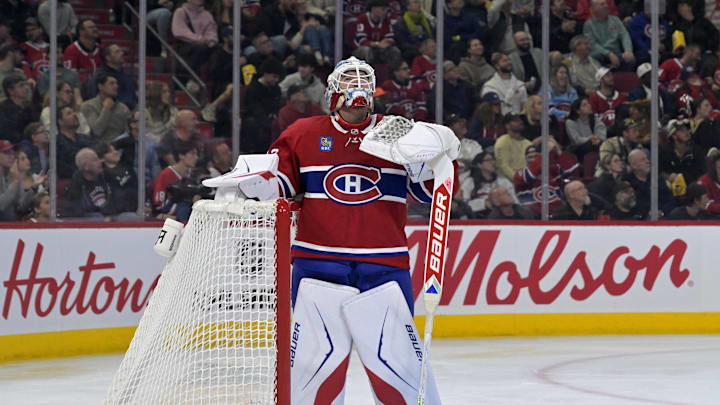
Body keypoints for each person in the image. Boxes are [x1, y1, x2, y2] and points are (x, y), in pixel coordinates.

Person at [249, 56, 451, 404]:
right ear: (332, 90)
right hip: (318, 262)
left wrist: (434, 161)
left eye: (363, 79)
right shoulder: (302, 133)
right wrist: (249, 183)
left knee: (397, 363)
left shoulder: (400, 132)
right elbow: (276, 187)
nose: (356, 86)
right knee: (317, 363)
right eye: (347, 79)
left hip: (384, 264)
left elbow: (430, 196)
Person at [61, 147, 137, 220]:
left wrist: (110, 214)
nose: (100, 161)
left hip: (112, 215)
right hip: (90, 220)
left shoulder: (107, 175)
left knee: (131, 217)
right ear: (86, 167)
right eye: (95, 160)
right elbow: (72, 210)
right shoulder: (76, 184)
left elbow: (120, 198)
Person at [515, 142, 579, 215]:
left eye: (536, 156)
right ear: (525, 159)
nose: (533, 160)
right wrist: (544, 153)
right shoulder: (520, 174)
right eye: (530, 157)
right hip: (533, 214)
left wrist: (559, 152)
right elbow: (531, 174)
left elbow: (571, 169)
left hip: (557, 213)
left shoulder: (551, 170)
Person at [242, 58, 284, 153]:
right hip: (256, 121)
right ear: (266, 74)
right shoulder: (253, 89)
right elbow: (254, 109)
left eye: (278, 78)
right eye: (274, 77)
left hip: (271, 120)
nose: (276, 80)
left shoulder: (276, 89)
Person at [458, 151, 515, 219]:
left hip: (504, 214)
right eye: (488, 160)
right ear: (479, 165)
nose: (493, 163)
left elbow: (515, 200)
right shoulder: (470, 182)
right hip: (479, 217)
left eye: (493, 160)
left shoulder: (503, 181)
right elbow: (463, 205)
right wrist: (483, 203)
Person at [152, 141, 200, 222]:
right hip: (169, 216)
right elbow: (158, 204)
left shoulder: (192, 174)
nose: (196, 157)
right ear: (181, 156)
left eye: (196, 154)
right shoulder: (166, 174)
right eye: (192, 153)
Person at [81, 72, 132, 141]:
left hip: (120, 146)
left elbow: (128, 133)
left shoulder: (123, 108)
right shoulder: (88, 106)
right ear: (100, 86)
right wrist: (106, 109)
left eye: (116, 83)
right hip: (97, 148)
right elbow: (96, 131)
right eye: (111, 83)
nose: (116, 86)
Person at [171, 0, 218, 75]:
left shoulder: (207, 15)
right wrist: (199, 39)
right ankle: (190, 76)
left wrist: (211, 41)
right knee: (199, 47)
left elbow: (211, 31)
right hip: (185, 45)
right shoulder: (181, 11)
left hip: (204, 45)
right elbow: (179, 32)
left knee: (218, 49)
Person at [583, 0, 634, 69]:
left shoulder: (615, 19)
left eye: (606, 4)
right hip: (600, 55)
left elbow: (624, 35)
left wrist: (628, 50)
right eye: (602, 4)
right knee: (595, 58)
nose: (606, 6)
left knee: (631, 59)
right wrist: (608, 54)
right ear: (593, 9)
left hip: (617, 54)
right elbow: (592, 44)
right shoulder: (588, 25)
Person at [86, 44, 137, 111]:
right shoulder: (99, 77)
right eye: (117, 52)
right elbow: (93, 100)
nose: (122, 53)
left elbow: (134, 99)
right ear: (108, 58)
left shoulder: (127, 76)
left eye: (121, 51)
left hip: (131, 115)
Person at [350, 0, 402, 65]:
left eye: (386, 10)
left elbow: (390, 37)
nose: (385, 12)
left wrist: (387, 42)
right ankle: (367, 73)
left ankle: (393, 73)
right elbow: (361, 40)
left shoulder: (386, 19)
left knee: (394, 50)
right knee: (366, 50)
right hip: (360, 48)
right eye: (383, 9)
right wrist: (377, 44)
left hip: (379, 48)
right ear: (374, 9)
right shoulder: (362, 18)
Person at [94, 141, 137, 213]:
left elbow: (138, 187)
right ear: (102, 158)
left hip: (135, 207)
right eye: (110, 152)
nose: (116, 152)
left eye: (115, 149)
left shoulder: (128, 168)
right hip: (118, 211)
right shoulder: (102, 176)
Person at [660, 118, 705, 187]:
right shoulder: (665, 151)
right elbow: (659, 172)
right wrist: (669, 176)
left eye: (686, 129)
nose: (686, 132)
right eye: (681, 130)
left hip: (694, 188)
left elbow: (702, 172)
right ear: (674, 136)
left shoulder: (696, 150)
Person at [56, 104, 94, 179]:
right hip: (72, 180)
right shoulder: (56, 143)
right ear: (60, 121)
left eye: (74, 112)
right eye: (69, 113)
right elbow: (62, 169)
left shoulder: (86, 138)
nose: (75, 115)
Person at [566, 96, 606, 163]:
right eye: (584, 105)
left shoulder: (594, 118)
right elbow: (576, 140)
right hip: (578, 149)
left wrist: (598, 139)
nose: (589, 106)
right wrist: (590, 139)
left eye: (588, 103)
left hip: (595, 144)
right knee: (590, 144)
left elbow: (601, 132)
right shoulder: (570, 122)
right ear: (578, 111)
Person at [0, 75, 38, 144]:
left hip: (32, 140)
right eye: (21, 85)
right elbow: (7, 133)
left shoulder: (29, 106)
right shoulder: (3, 108)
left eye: (26, 84)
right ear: (10, 91)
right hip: (14, 144)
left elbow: (35, 125)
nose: (26, 88)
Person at [494, 114, 532, 180]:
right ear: (507, 126)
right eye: (515, 120)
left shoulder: (528, 143)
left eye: (520, 119)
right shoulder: (502, 141)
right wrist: (518, 180)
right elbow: (504, 167)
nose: (520, 122)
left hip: (526, 179)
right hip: (507, 181)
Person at [698, 152, 720, 216]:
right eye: (719, 167)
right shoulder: (704, 181)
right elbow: (705, 205)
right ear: (714, 169)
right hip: (709, 218)